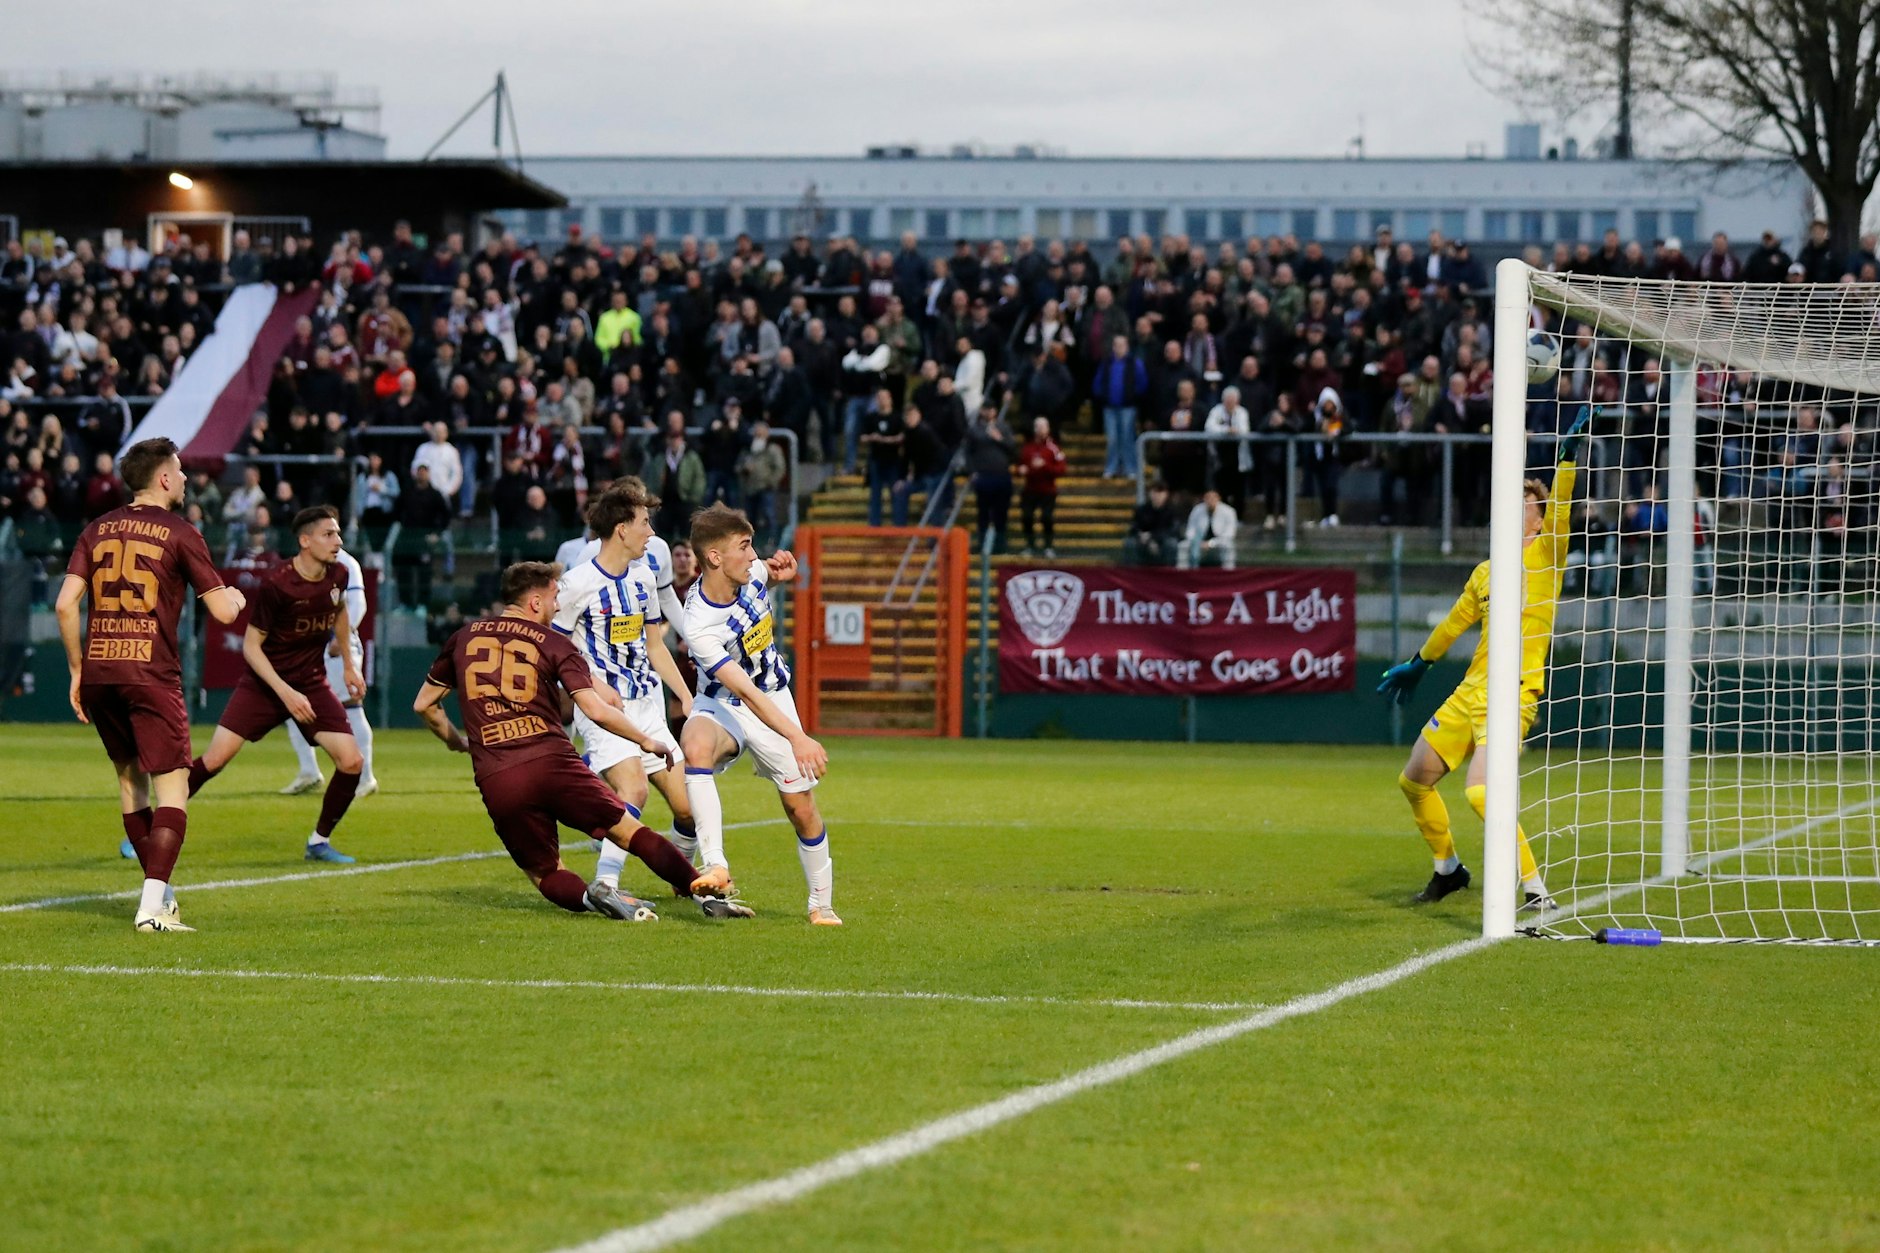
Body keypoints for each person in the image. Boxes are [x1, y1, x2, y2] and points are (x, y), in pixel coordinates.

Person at [414, 561, 744, 921]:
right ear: (535, 602)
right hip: (553, 762)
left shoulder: (464, 636)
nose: (558, 607)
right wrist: (645, 740)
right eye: (555, 598)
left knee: (545, 873)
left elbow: (425, 705)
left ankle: (593, 897)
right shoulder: (555, 643)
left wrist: (456, 740)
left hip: (498, 775)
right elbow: (595, 709)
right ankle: (706, 898)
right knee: (629, 832)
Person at [1375, 408, 1590, 911]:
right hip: (1473, 689)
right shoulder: (1486, 572)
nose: (1508, 509)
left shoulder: (1546, 557)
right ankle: (1448, 870)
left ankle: (1535, 888)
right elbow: (1453, 624)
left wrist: (1567, 460)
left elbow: (1562, 510)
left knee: (1479, 792)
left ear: (1536, 518)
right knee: (1414, 779)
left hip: (1513, 692)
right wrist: (1420, 663)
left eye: (1522, 504)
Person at [55, 437, 248, 928]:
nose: (185, 479)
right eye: (180, 471)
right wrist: (238, 598)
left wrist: (78, 670)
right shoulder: (180, 532)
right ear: (163, 478)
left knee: (128, 782)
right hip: (150, 673)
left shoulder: (96, 529)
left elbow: (64, 604)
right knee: (173, 788)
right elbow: (223, 611)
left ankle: (159, 896)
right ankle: (150, 909)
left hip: (100, 670)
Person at [552, 483, 743, 914]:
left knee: (689, 810)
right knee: (634, 789)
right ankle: (605, 884)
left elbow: (655, 645)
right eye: (644, 523)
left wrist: (685, 695)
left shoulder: (641, 576)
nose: (650, 532)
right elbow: (554, 650)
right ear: (621, 529)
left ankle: (687, 880)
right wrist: (591, 687)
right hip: (604, 711)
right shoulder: (576, 584)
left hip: (648, 707)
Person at [678, 504, 839, 924]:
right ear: (715, 558)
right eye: (745, 547)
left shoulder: (751, 575)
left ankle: (821, 905)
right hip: (725, 702)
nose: (753, 556)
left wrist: (781, 572)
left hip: (774, 694)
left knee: (800, 808)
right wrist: (799, 737)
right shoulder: (698, 623)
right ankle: (714, 864)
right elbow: (744, 692)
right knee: (694, 744)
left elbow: (769, 571)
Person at [186, 506, 368, 864]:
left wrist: (348, 664)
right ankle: (148, 827)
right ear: (305, 540)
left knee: (351, 761)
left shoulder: (339, 574)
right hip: (264, 684)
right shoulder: (278, 583)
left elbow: (341, 613)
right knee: (215, 759)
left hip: (311, 682)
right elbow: (252, 647)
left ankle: (318, 842)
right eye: (329, 534)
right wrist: (285, 693)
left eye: (338, 533)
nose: (338, 541)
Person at [282, 545, 379, 799]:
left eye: (332, 532)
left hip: (335, 648)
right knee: (293, 706)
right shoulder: (303, 563)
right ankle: (309, 771)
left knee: (350, 707)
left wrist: (341, 640)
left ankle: (366, 776)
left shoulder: (346, 563)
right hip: (308, 647)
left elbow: (357, 605)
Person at [963, 402, 1018, 553]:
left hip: (1001, 475)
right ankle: (982, 544)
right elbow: (968, 453)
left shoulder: (1004, 428)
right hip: (983, 476)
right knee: (983, 512)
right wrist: (972, 471)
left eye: (991, 409)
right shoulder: (974, 430)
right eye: (985, 409)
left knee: (1001, 512)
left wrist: (999, 439)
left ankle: (1000, 545)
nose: (988, 412)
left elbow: (1013, 449)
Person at [1017, 416, 1067, 557]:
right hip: (1030, 489)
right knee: (1027, 517)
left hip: (1047, 490)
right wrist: (1021, 470)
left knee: (1047, 517)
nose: (1041, 430)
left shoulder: (1053, 448)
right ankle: (1030, 545)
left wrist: (1045, 466)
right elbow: (1020, 465)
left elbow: (1061, 469)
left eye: (1043, 427)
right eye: (1038, 427)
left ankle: (1049, 546)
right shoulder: (1028, 448)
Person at [1181, 488, 1238, 570]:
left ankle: (1228, 573)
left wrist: (1211, 543)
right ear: (1204, 499)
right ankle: (1185, 574)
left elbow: (1229, 534)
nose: (1210, 500)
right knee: (1183, 546)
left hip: (1219, 542)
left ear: (1218, 498)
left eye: (1213, 497)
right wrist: (1197, 541)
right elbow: (1190, 529)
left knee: (1228, 546)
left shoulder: (1229, 511)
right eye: (1208, 498)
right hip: (1199, 541)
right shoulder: (1197, 510)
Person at [1129, 480, 1181, 566]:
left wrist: (1152, 537)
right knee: (1130, 543)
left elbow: (1173, 531)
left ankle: (1170, 574)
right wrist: (1142, 536)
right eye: (1154, 492)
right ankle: (1131, 575)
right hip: (1143, 542)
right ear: (1150, 493)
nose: (1157, 495)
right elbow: (1134, 527)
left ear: (1166, 494)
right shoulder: (1141, 510)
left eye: (1160, 492)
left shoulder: (1172, 511)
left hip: (1163, 542)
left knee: (1171, 543)